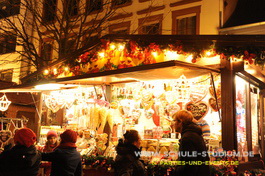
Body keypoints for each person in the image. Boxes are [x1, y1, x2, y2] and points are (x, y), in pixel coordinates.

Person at [172, 110, 210, 176]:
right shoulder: (194, 133)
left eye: (174, 120)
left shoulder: (187, 138)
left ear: (180, 122)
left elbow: (189, 165)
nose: (172, 124)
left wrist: (177, 171)